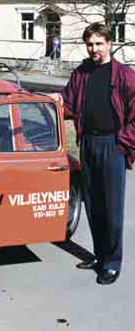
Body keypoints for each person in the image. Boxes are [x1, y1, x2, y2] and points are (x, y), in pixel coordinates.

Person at [62, 22, 135, 285]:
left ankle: (112, 263)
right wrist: (49, 104)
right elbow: (67, 104)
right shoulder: (81, 73)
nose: (94, 49)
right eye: (90, 44)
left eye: (99, 44)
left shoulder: (124, 75)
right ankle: (100, 254)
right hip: (88, 144)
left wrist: (123, 142)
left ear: (109, 43)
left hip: (112, 144)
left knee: (112, 207)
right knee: (93, 205)